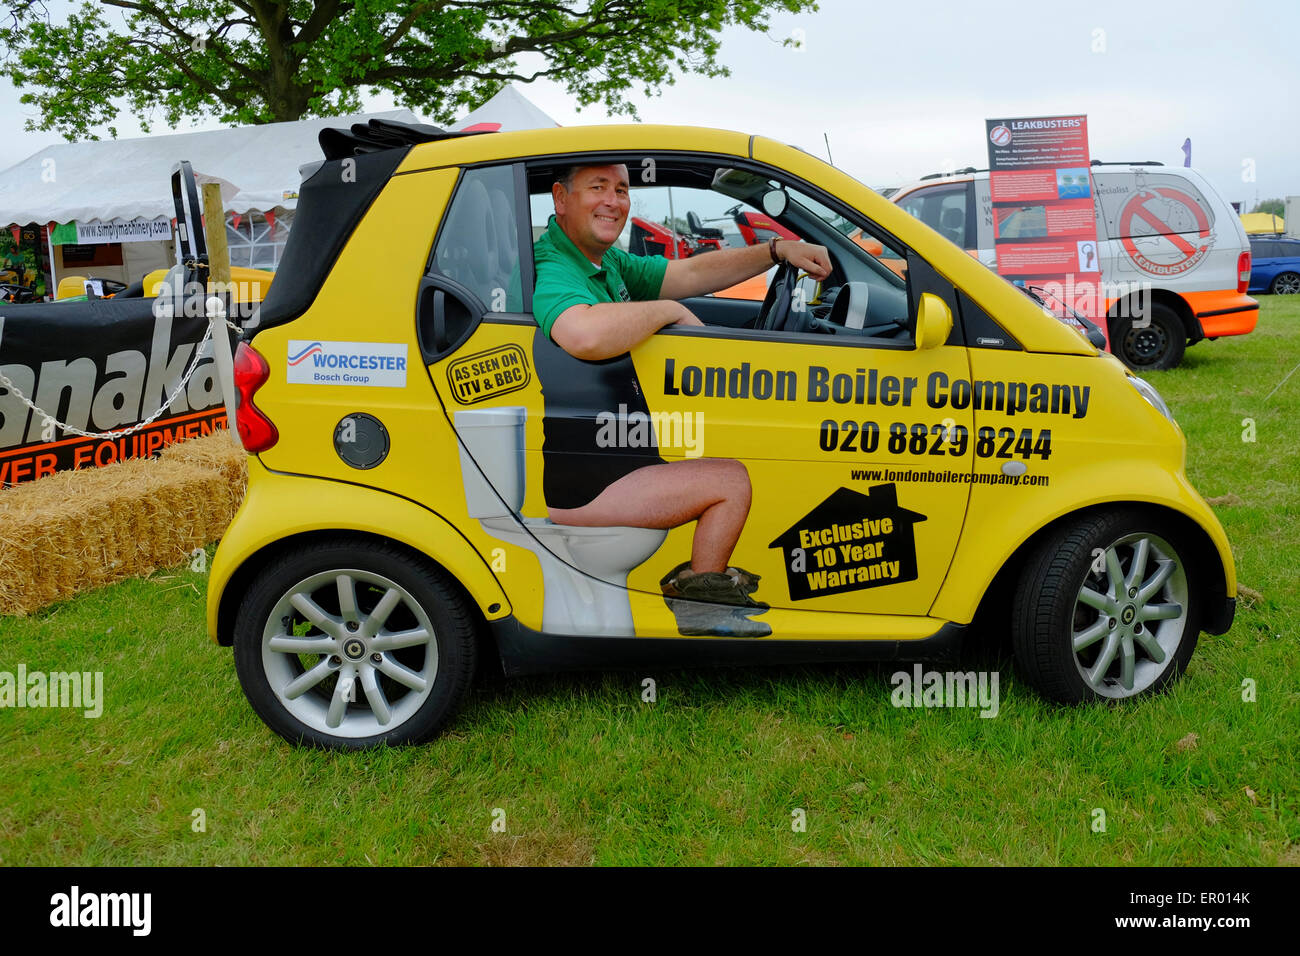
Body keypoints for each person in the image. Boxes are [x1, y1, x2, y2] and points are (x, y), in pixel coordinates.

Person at [531, 162, 831, 637]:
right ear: (560, 199)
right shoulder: (553, 267)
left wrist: (777, 250)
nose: (614, 200)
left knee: (724, 469)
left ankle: (702, 597)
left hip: (611, 467)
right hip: (585, 488)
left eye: (623, 190)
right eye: (598, 188)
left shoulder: (602, 263)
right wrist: (668, 312)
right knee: (729, 481)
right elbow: (582, 334)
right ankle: (703, 610)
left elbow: (689, 272)